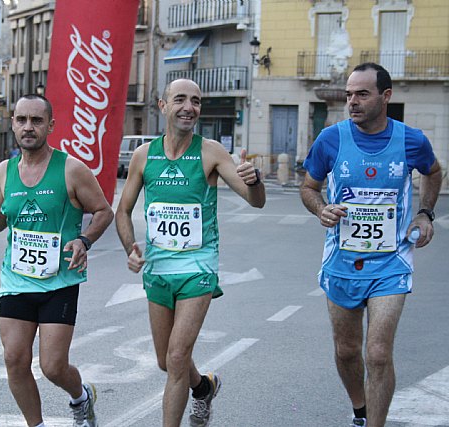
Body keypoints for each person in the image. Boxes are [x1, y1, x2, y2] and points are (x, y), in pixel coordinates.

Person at [0, 94, 113, 427]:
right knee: (14, 360)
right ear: (13, 125)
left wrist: (84, 240)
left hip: (59, 281)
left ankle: (81, 396)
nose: (28, 127)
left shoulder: (72, 169)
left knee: (52, 367)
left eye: (36, 120)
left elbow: (104, 210)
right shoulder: (5, 171)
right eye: (21, 120)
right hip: (17, 280)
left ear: (50, 125)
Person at [115, 79, 266, 427]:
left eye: (196, 101)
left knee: (178, 354)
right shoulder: (144, 156)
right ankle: (203, 388)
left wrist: (255, 180)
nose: (189, 107)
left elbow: (254, 201)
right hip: (157, 268)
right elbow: (123, 210)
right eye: (180, 99)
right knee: (166, 362)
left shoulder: (210, 152)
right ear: (162, 105)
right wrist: (130, 249)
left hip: (198, 267)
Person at [300, 63, 442, 427]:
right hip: (341, 261)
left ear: (386, 97)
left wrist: (424, 213)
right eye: (349, 95)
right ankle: (360, 410)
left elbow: (434, 170)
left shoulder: (412, 140)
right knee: (347, 351)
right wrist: (321, 210)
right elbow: (308, 187)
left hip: (391, 262)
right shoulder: (331, 139)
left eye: (362, 94)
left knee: (377, 353)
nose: (352, 102)